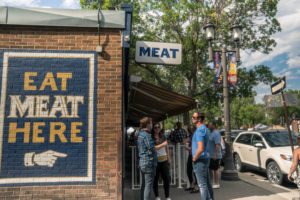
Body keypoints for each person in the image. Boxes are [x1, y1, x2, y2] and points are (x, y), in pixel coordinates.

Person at [137, 117, 167, 200]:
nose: (152, 125)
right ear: (147, 124)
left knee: (144, 185)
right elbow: (152, 148)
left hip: (143, 162)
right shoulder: (146, 135)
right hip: (148, 163)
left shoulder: (141, 134)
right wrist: (163, 144)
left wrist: (154, 143)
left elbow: (147, 146)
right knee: (148, 186)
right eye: (151, 123)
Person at [192, 111, 214, 200]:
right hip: (204, 158)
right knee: (207, 183)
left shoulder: (200, 129)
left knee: (202, 185)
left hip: (200, 160)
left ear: (199, 119)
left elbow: (200, 149)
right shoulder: (204, 128)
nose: (192, 118)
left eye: (193, 117)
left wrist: (194, 159)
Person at [151, 122, 171, 200]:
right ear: (153, 128)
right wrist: (161, 145)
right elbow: (154, 149)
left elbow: (167, 148)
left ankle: (167, 196)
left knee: (166, 179)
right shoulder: (151, 138)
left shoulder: (163, 137)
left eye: (158, 127)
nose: (157, 129)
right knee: (155, 179)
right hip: (155, 161)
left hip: (164, 160)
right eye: (155, 127)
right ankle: (157, 196)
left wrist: (169, 158)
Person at [183, 125, 199, 193]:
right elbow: (184, 141)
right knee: (189, 170)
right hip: (191, 155)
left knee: (195, 172)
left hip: (194, 155)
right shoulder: (191, 136)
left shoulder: (196, 136)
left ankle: (196, 187)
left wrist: (188, 148)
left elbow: (196, 147)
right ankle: (192, 185)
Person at [208, 122, 222, 189]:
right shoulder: (210, 132)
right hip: (210, 155)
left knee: (215, 169)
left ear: (213, 125)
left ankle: (217, 183)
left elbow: (217, 145)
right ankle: (212, 182)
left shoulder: (216, 133)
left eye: (210, 125)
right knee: (210, 169)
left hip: (215, 155)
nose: (208, 126)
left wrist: (215, 155)